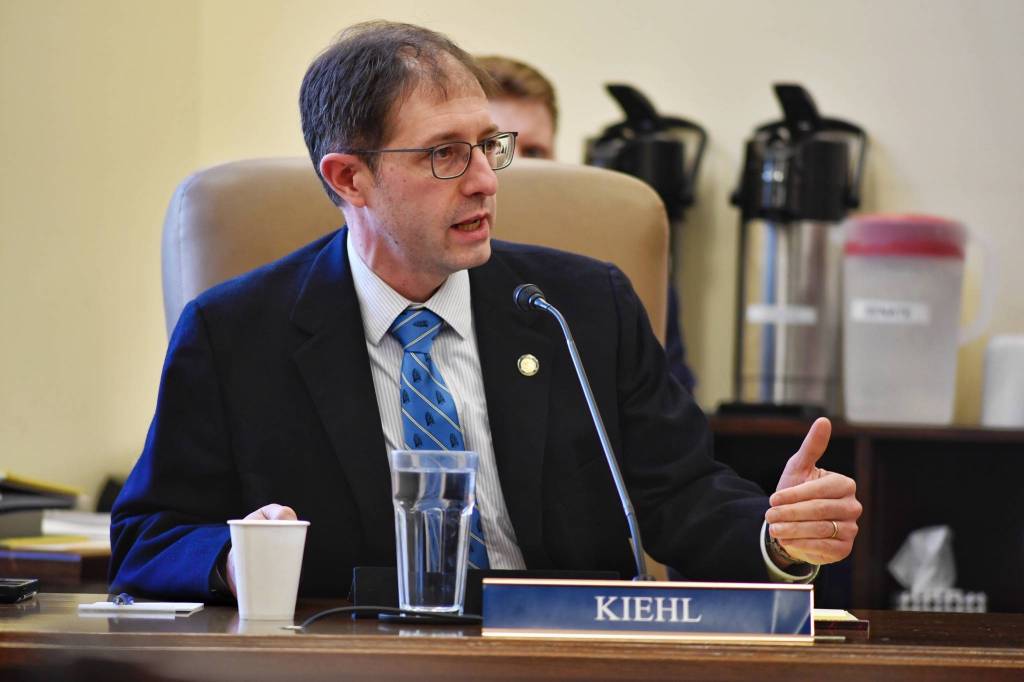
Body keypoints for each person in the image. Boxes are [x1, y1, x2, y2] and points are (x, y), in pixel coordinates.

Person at [109, 21, 861, 601]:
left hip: (563, 663)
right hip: (353, 664)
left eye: (488, 146)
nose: (485, 182)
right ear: (350, 178)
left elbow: (682, 496)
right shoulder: (236, 334)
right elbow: (148, 534)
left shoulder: (582, 308)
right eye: (444, 154)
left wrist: (778, 534)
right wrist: (234, 558)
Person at [477, 55, 697, 392]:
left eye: (535, 153)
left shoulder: (617, 266)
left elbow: (670, 402)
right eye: (495, 146)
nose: (517, 170)